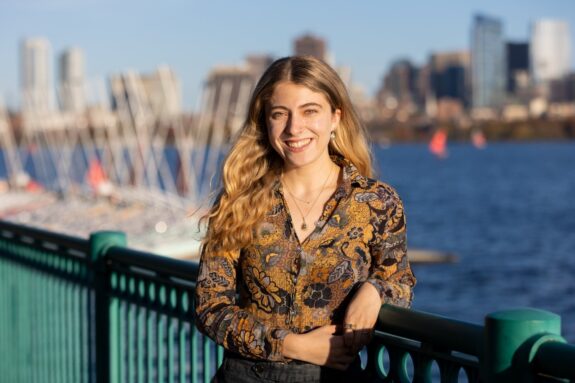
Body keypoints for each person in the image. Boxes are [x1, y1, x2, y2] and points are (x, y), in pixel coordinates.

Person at [195, 56, 416, 382]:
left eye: (309, 111)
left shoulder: (376, 202)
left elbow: (400, 280)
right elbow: (210, 307)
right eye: (280, 114)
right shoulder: (239, 200)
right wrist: (293, 345)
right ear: (266, 122)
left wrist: (375, 289)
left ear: (335, 117)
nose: (294, 128)